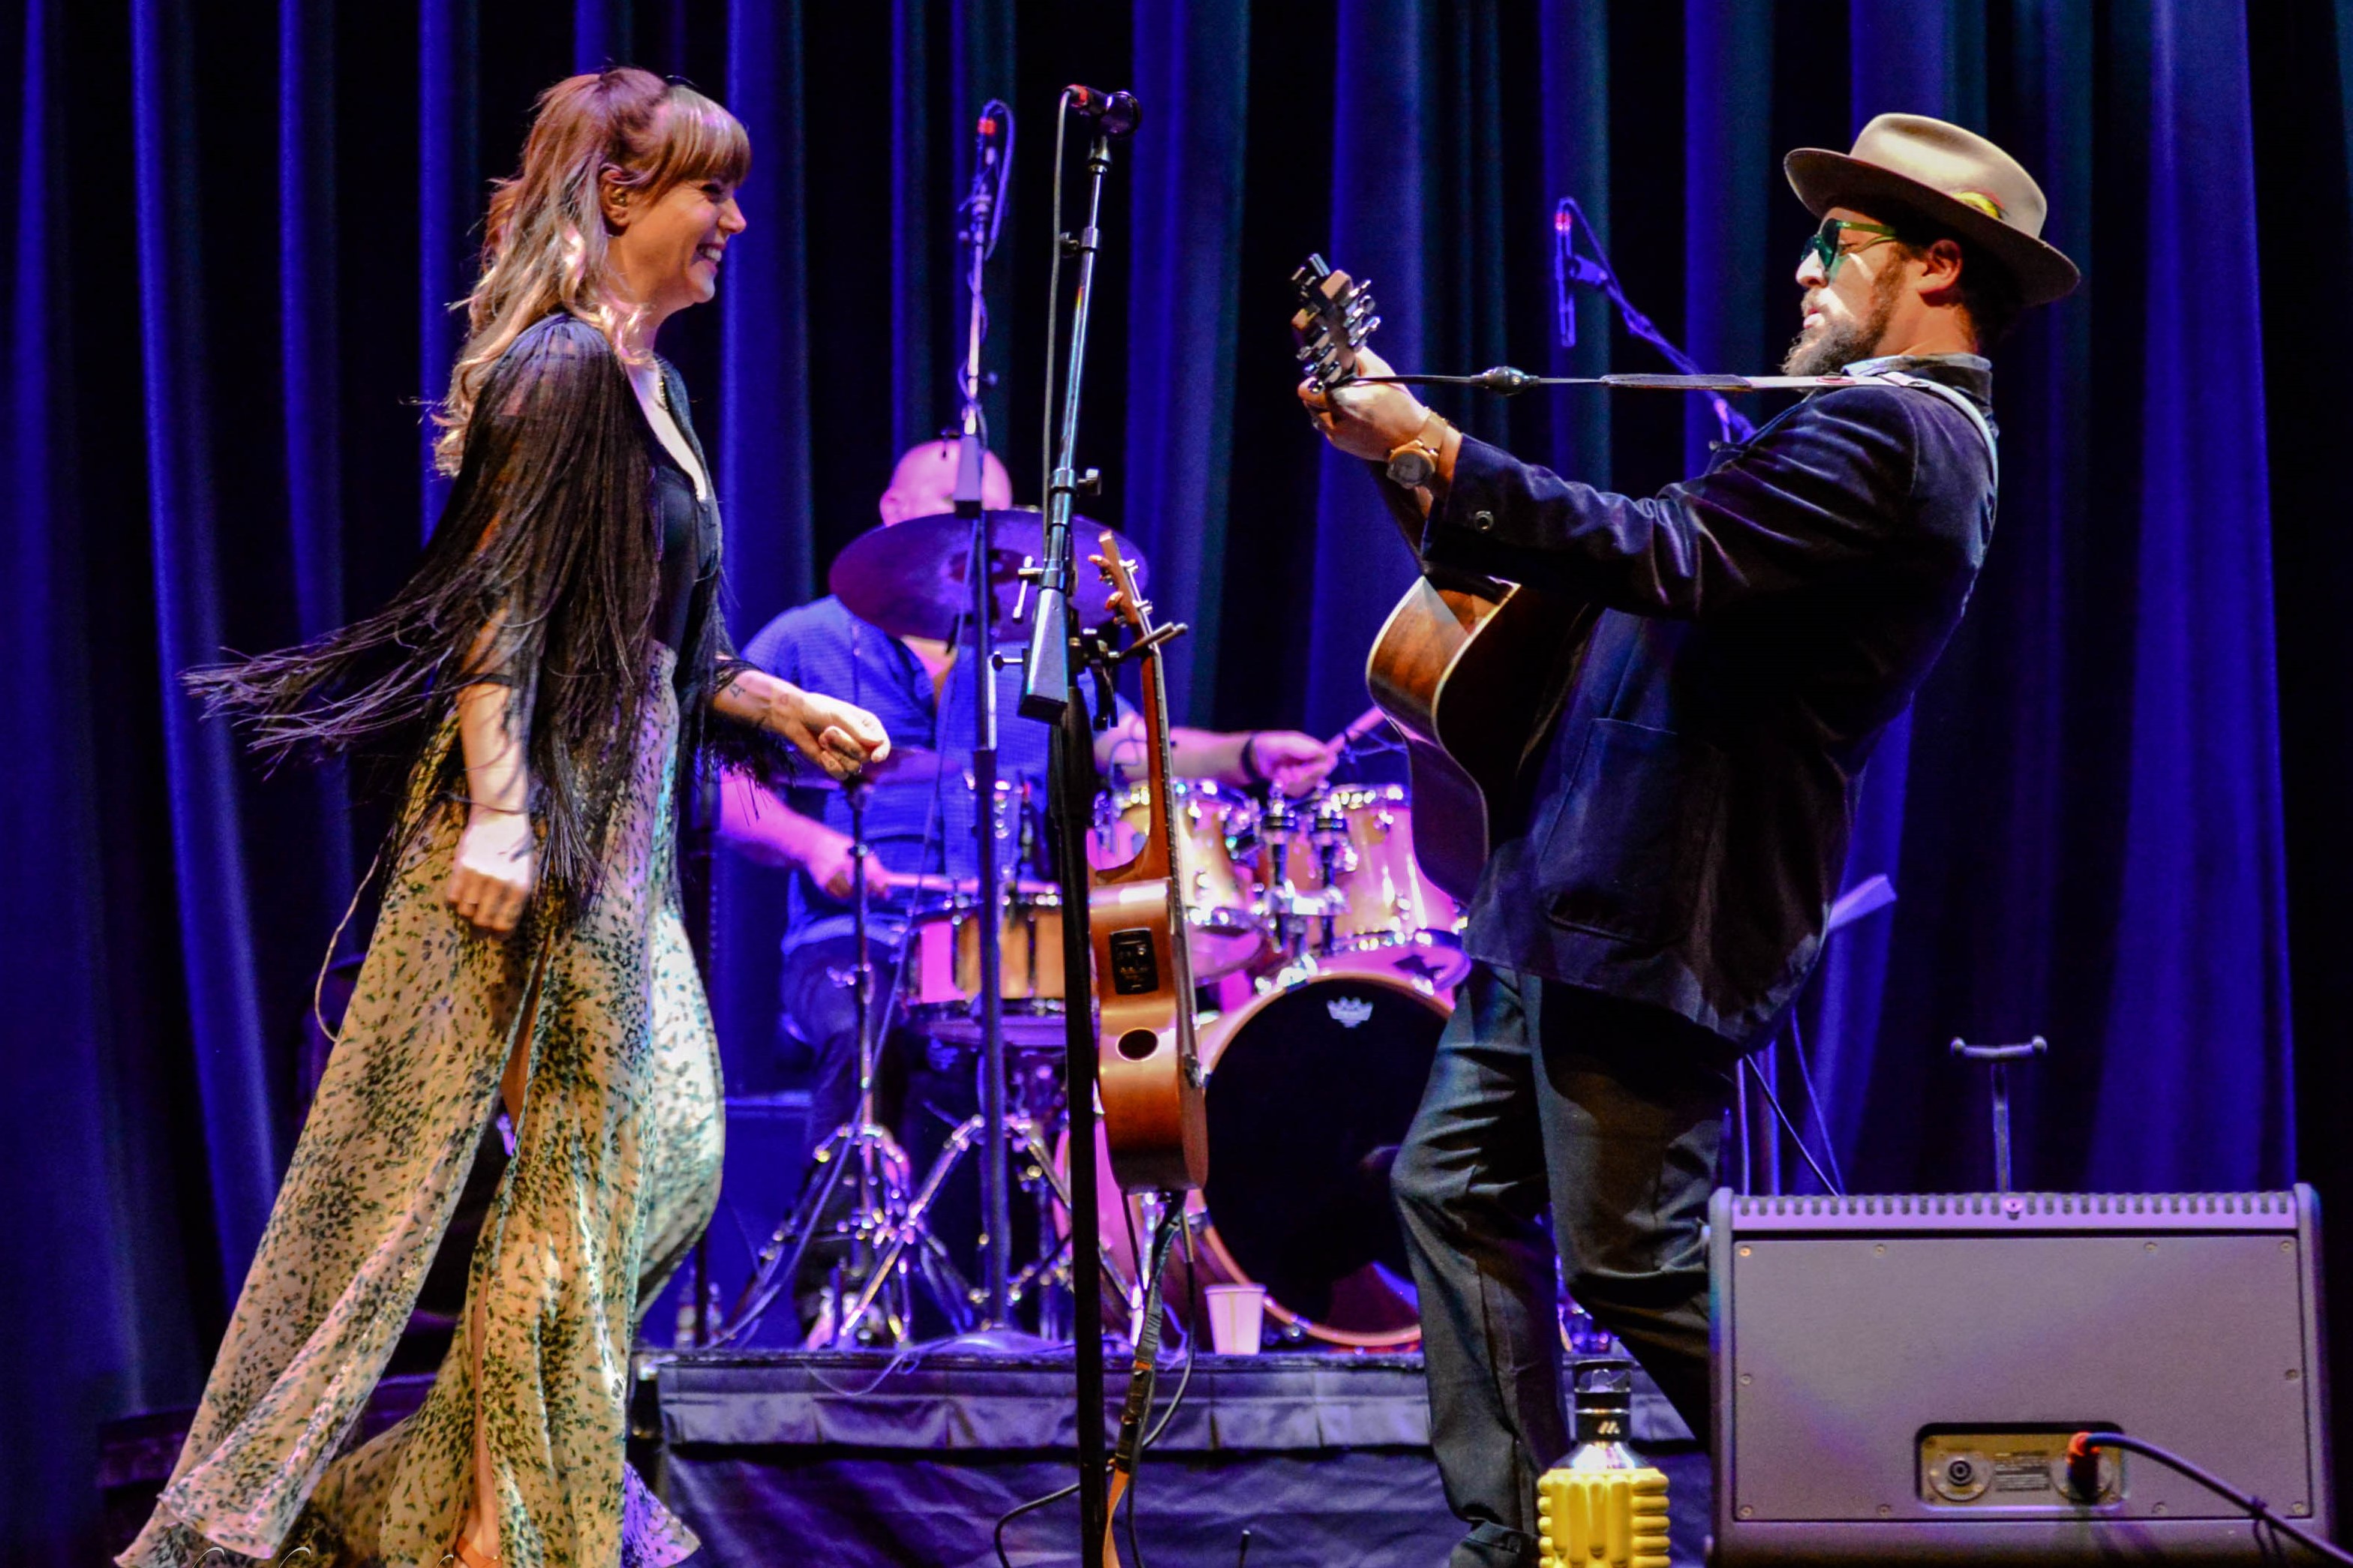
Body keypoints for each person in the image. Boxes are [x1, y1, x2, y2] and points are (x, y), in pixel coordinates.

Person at [121, 69, 888, 1568]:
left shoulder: (654, 388)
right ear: (619, 196)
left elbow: (689, 646)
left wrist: (786, 711)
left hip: (619, 829)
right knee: (594, 1180)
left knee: (653, 1168)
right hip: (541, 826)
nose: (733, 218)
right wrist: (498, 817)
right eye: (706, 190)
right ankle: (506, 1533)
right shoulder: (555, 376)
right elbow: (500, 620)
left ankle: (464, 1515)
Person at [1302, 114, 2078, 1567]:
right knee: (1448, 1193)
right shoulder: (1874, 431)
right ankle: (1518, 1539)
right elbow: (1627, 567)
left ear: (1935, 261)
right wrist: (1411, 460)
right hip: (1574, 888)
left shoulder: (1898, 432)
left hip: (1656, 902)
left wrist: (1429, 437)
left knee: (1634, 1256)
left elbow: (1669, 552)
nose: (1800, 269)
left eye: (1832, 242)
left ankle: (1875, 1514)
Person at [719, 437, 1336, 1328]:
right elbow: (721, 788)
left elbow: (1123, 749)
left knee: (1136, 1018)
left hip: (1008, 942)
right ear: (892, 516)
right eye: (959, 516)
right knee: (870, 1020)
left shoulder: (1027, 655)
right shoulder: (806, 644)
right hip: (854, 935)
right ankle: (842, 1287)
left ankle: (1090, 1294)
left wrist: (1247, 754)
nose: (983, 539)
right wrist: (819, 848)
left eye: (1002, 524)